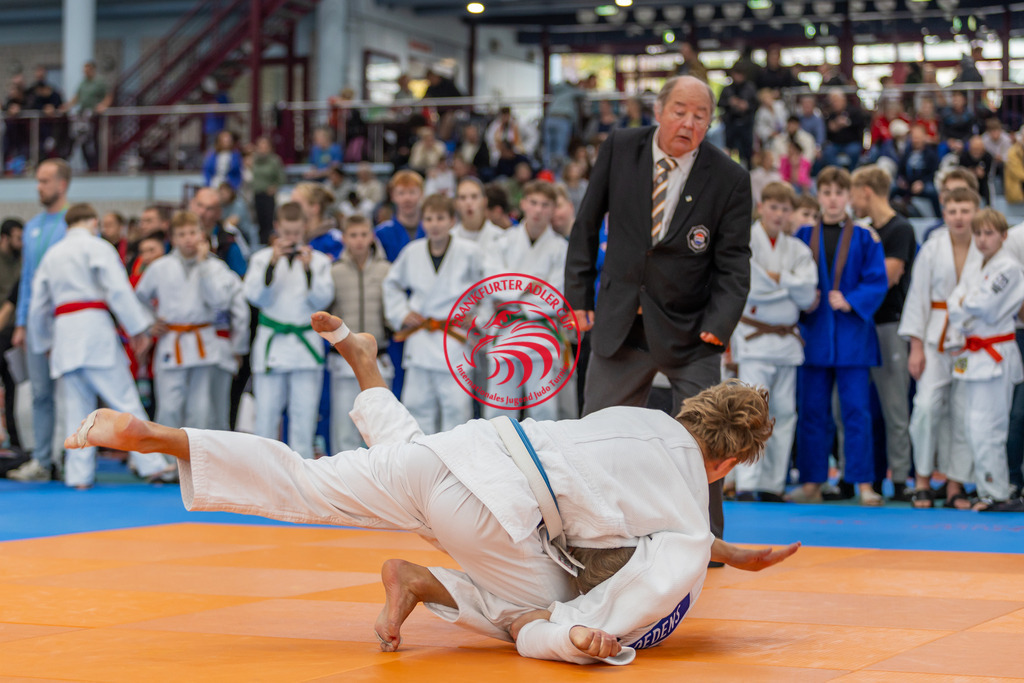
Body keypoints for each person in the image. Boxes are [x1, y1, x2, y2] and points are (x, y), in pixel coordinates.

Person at [64, 310, 797, 665]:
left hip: (463, 449)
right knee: (538, 606)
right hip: (490, 511)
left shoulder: (631, 418)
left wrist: (722, 549)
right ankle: (425, 580)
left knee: (306, 478)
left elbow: (618, 509)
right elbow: (652, 578)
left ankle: (164, 436)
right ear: (731, 462)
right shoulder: (686, 515)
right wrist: (586, 637)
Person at [565, 76, 752, 541]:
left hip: (691, 330)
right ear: (659, 109)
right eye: (680, 111)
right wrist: (579, 299)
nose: (688, 123)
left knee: (705, 440)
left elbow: (733, 263)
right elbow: (587, 225)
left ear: (710, 122)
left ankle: (705, 540)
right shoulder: (621, 147)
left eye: (700, 115)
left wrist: (718, 327)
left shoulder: (729, 177)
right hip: (619, 319)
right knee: (597, 436)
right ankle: (592, 533)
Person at [26, 203, 170, 488]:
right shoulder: (98, 247)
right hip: (94, 330)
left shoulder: (52, 255)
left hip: (65, 334)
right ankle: (152, 464)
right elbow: (118, 289)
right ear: (92, 222)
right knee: (125, 401)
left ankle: (78, 476)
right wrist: (138, 328)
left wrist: (41, 340)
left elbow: (37, 306)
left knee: (77, 410)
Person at [789, 166, 889, 505]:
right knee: (812, 412)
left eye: (839, 193)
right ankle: (812, 483)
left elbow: (878, 280)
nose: (833, 200)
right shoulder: (802, 236)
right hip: (814, 335)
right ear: (819, 196)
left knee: (857, 412)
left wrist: (851, 300)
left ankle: (863, 483)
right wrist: (805, 300)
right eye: (827, 193)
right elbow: (791, 280)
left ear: (849, 197)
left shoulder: (865, 237)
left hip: (852, 337)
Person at [731, 182, 817, 501]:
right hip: (754, 340)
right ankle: (747, 481)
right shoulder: (745, 242)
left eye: (785, 209)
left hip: (786, 344)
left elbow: (808, 294)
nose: (779, 214)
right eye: (774, 207)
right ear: (762, 206)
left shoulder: (797, 249)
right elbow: (752, 287)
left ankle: (772, 483)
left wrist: (778, 280)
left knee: (784, 413)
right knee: (751, 413)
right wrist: (787, 285)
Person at [134, 211, 241, 466]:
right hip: (173, 339)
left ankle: (198, 465)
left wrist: (204, 267)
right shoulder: (160, 267)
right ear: (173, 238)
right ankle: (167, 464)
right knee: (169, 406)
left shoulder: (215, 267)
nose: (188, 240)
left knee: (200, 408)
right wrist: (149, 323)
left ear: (201, 235)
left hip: (204, 340)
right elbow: (138, 297)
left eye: (192, 233)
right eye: (182, 235)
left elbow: (220, 302)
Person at [898, 187, 982, 507]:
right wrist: (916, 347)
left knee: (962, 413)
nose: (959, 217)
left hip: (970, 342)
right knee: (926, 409)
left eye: (965, 210)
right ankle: (921, 480)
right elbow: (917, 298)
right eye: (953, 210)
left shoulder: (984, 247)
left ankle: (955, 484)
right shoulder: (932, 248)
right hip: (934, 339)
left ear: (976, 210)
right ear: (943, 213)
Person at [944, 208, 1024, 510]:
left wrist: (966, 303)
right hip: (973, 355)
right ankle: (988, 488)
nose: (982, 239)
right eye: (978, 233)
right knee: (973, 424)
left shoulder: (1010, 268)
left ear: (1004, 236)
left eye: (989, 233)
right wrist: (966, 303)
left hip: (996, 356)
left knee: (990, 426)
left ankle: (999, 492)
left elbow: (985, 307)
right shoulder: (978, 267)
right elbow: (955, 304)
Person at [383, 194, 481, 433]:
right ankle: (422, 466)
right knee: (417, 408)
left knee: (458, 412)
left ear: (451, 221)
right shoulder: (412, 252)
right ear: (422, 222)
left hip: (454, 340)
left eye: (440, 218)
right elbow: (391, 284)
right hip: (421, 341)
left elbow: (487, 287)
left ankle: (457, 465)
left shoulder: (470, 251)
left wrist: (477, 316)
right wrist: (402, 312)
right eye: (428, 219)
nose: (434, 224)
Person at [243, 202, 334, 459]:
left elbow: (323, 300)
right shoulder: (261, 258)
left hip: (305, 346)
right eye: (287, 232)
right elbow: (254, 296)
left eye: (296, 232)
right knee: (266, 418)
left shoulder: (317, 261)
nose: (292, 238)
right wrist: (272, 264)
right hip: (272, 346)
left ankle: (301, 478)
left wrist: (307, 271)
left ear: (305, 228)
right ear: (277, 228)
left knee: (304, 418)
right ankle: (263, 474)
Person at [850, 165, 917, 500]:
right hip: (863, 326)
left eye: (853, 192)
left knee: (894, 405)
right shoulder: (862, 230)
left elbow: (886, 277)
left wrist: (851, 292)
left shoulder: (899, 229)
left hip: (890, 323)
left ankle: (902, 477)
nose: (850, 200)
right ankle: (869, 476)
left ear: (866, 191)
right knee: (862, 407)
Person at [481, 180, 568, 421]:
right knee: (499, 410)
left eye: (545, 204)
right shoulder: (503, 242)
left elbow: (555, 297)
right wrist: (531, 286)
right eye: (533, 203)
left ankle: (543, 458)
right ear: (523, 204)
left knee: (544, 410)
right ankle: (497, 457)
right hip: (505, 332)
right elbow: (491, 283)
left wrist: (511, 294)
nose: (538, 210)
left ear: (552, 209)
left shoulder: (560, 248)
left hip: (541, 336)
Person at [7, 159, 70, 483]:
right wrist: (21, 323)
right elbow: (28, 277)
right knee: (41, 393)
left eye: (45, 180)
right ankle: (43, 460)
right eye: (37, 180)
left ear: (62, 184)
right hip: (35, 322)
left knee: (73, 394)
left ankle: (73, 458)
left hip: (68, 319)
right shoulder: (32, 228)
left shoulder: (75, 224)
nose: (38, 186)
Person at [328, 215, 391, 450]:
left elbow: (392, 312)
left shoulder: (386, 269)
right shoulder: (334, 271)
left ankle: (380, 479)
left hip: (378, 356)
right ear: (344, 238)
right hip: (343, 358)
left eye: (364, 234)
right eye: (353, 235)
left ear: (372, 236)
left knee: (379, 427)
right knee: (344, 427)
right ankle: (342, 481)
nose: (359, 241)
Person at [0, 219, 23, 450]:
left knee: (14, 387)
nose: (21, 243)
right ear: (4, 238)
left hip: (15, 334)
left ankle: (17, 442)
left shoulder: (22, 263)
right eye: (17, 238)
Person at [191, 187, 248, 277]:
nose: (202, 212)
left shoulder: (228, 241)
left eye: (209, 208)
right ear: (192, 204)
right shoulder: (176, 236)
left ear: (219, 212)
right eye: (199, 205)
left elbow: (240, 278)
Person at [893, 124, 942, 217]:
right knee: (892, 188)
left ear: (924, 137)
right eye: (914, 137)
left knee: (932, 191)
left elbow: (933, 173)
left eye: (918, 138)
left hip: (923, 183)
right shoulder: (907, 152)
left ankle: (938, 217)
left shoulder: (931, 154)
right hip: (907, 184)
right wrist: (901, 179)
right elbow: (900, 170)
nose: (916, 140)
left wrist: (922, 183)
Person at [291, 182, 343, 260]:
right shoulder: (293, 238)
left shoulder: (335, 239)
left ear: (314, 208)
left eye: (296, 204)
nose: (291, 208)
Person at [250, 136, 286, 246]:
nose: (262, 149)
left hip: (268, 195)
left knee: (269, 221)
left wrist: (274, 187)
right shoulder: (254, 160)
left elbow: (282, 178)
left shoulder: (274, 161)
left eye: (265, 146)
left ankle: (270, 243)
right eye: (260, 146)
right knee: (259, 221)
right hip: (257, 193)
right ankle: (261, 244)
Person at [452, 177, 504, 250]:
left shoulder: (500, 237)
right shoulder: (450, 239)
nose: (468, 202)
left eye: (474, 196)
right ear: (456, 204)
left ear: (484, 201)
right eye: (462, 198)